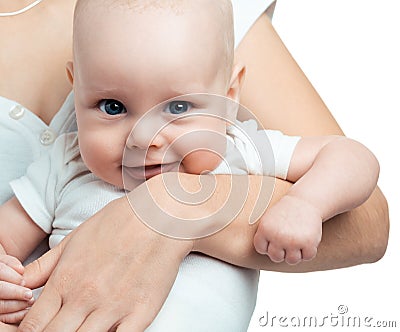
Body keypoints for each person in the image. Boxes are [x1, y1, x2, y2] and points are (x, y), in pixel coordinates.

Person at [0, 0, 388, 331]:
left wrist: (306, 203)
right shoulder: (66, 164)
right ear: (77, 85)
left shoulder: (238, 148)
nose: (145, 138)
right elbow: (7, 238)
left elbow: (351, 157)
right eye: (112, 107)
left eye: (178, 108)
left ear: (230, 95)